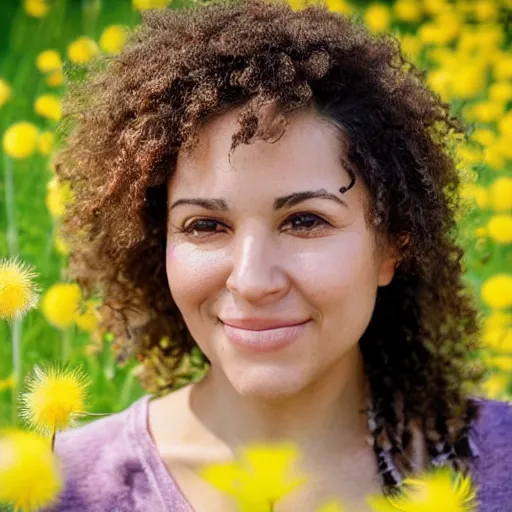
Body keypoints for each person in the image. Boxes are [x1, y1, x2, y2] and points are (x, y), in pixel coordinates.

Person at [47, 0, 512, 510]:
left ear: (392, 245)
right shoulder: (64, 488)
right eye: (205, 225)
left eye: (305, 221)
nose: (251, 280)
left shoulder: (501, 465)